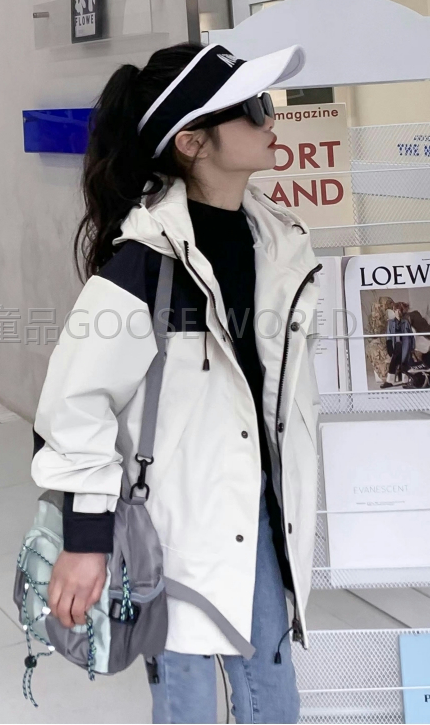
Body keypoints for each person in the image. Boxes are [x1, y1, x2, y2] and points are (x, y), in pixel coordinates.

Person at [30, 41, 321, 723]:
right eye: (252, 108)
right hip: (175, 534)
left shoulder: (278, 242)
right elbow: (74, 408)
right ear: (192, 142)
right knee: (189, 707)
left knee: (274, 704)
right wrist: (85, 539)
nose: (270, 118)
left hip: (257, 513)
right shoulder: (143, 266)